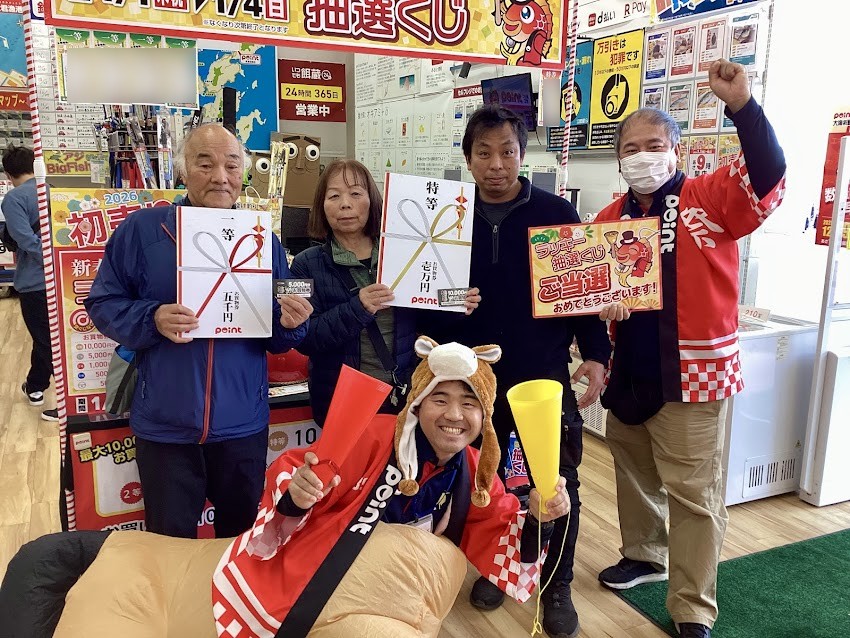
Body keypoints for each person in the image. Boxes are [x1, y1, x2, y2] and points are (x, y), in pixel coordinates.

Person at [595, 59, 786, 638]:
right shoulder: (608, 219)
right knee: (633, 474)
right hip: (629, 372)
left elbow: (767, 175)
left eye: (654, 146)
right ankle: (644, 554)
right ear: (619, 159)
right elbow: (588, 290)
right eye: (631, 149)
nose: (642, 157)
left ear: (675, 151)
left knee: (695, 496)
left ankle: (692, 607)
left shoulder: (708, 198)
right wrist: (602, 309)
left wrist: (743, 108)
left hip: (692, 374)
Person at [213, 337, 570, 635]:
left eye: (469, 403)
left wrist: (539, 518)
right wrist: (299, 492)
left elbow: (501, 530)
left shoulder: (476, 472)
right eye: (440, 399)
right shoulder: (373, 435)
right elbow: (300, 471)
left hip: (406, 588)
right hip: (337, 578)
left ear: (484, 417)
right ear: (417, 405)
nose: (454, 415)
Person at [429, 104, 612, 638]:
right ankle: (498, 565)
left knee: (556, 482)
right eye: (483, 153)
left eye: (507, 152)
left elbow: (582, 293)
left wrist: (596, 353)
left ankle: (556, 585)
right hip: (472, 380)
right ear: (468, 159)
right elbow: (425, 295)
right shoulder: (448, 218)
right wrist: (449, 301)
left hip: (542, 377)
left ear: (522, 154)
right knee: (484, 479)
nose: (496, 164)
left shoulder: (556, 213)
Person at [85, 124, 312, 539]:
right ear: (182, 171)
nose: (220, 177)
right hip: (165, 425)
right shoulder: (143, 230)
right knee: (168, 545)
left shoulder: (262, 239)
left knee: (239, 540)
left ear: (244, 172)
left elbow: (278, 335)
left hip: (243, 424)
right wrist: (152, 318)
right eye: (205, 164)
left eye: (232, 165)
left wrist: (292, 323)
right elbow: (102, 303)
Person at [290, 159, 480, 426]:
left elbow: (423, 321)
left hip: (403, 393)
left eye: (356, 193)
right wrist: (358, 308)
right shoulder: (306, 264)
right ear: (322, 205)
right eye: (334, 196)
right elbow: (305, 338)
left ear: (373, 200)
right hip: (341, 400)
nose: (345, 204)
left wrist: (454, 306)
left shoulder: (404, 253)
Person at [1, 145, 57, 421]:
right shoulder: (53, 191)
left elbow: (24, 239)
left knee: (46, 339)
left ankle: (60, 397)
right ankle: (35, 385)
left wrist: (47, 260)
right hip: (64, 278)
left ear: (8, 174)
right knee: (47, 337)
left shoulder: (13, 199)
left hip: (35, 282)